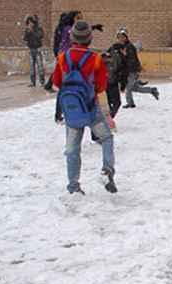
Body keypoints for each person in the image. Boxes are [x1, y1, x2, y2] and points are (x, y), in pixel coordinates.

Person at [52, 21, 117, 195]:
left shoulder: (62, 58)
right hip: (90, 107)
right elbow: (102, 86)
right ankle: (107, 169)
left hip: (72, 109)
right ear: (89, 38)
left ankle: (73, 186)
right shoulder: (95, 59)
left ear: (72, 37)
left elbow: (56, 83)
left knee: (72, 149)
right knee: (106, 138)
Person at [117, 27, 160, 108]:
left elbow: (132, 60)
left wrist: (125, 57)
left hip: (132, 71)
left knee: (128, 88)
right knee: (134, 88)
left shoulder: (129, 47)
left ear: (126, 37)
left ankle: (130, 104)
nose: (121, 39)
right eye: (119, 37)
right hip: (132, 71)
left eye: (122, 37)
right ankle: (152, 90)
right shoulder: (124, 47)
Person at [23, 15, 46, 87]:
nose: (30, 23)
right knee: (32, 67)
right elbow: (24, 38)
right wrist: (28, 31)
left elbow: (40, 36)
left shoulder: (38, 29)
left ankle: (42, 81)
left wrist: (32, 31)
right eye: (29, 22)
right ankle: (33, 82)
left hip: (38, 49)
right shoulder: (27, 29)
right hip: (31, 49)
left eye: (31, 22)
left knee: (40, 66)